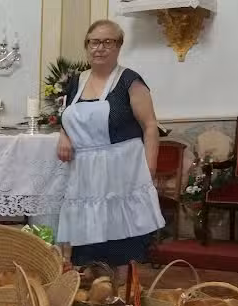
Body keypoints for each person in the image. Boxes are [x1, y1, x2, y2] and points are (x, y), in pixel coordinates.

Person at [56, 19, 165, 277]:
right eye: (95, 42)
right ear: (87, 46)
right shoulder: (76, 82)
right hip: (85, 173)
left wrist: (149, 169)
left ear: (118, 47)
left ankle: (124, 304)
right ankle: (93, 304)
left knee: (121, 244)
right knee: (87, 244)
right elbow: (67, 117)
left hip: (122, 172)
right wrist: (64, 136)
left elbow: (150, 126)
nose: (100, 48)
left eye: (108, 42)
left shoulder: (130, 81)